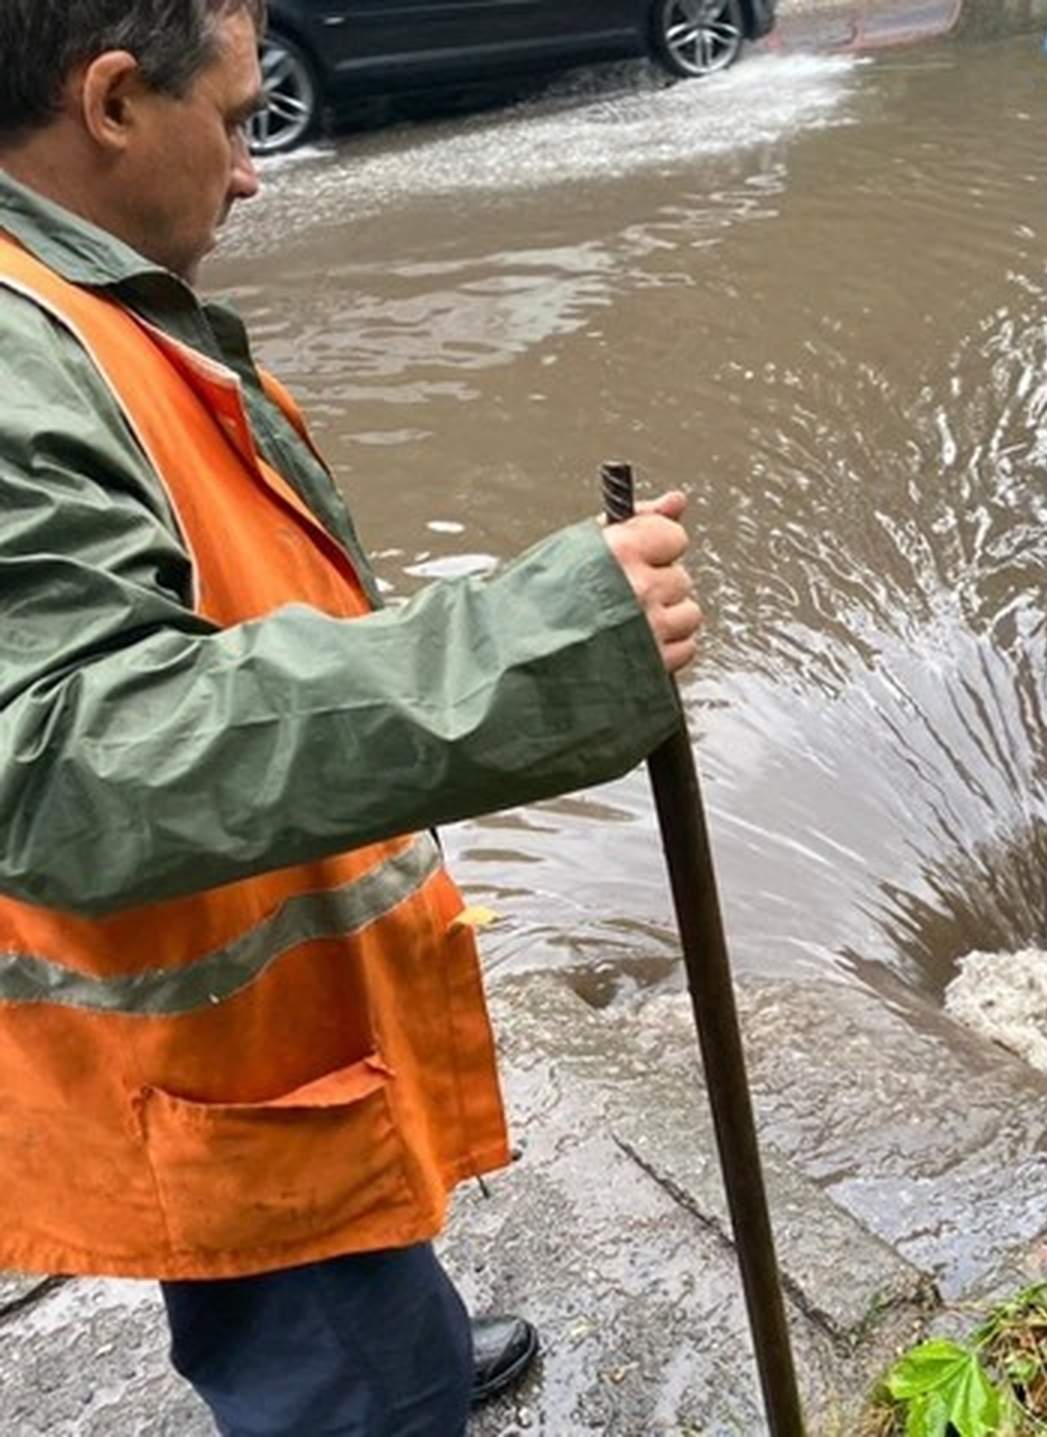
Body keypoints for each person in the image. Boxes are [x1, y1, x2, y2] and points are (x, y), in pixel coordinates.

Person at [0, 2, 703, 1431]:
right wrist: (536, 642)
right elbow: (65, 753)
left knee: (355, 1285)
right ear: (116, 102)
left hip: (252, 1030)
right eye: (242, 118)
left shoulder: (86, 297)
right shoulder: (19, 360)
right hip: (214, 1055)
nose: (257, 170)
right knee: (339, 1371)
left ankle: (406, 1340)